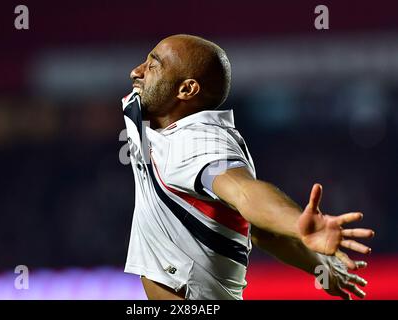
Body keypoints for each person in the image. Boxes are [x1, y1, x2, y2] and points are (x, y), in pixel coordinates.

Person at [121, 34, 374, 300]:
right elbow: (264, 233)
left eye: (152, 66)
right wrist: (319, 265)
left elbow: (244, 192)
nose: (135, 72)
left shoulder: (197, 143)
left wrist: (297, 222)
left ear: (186, 90)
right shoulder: (148, 112)